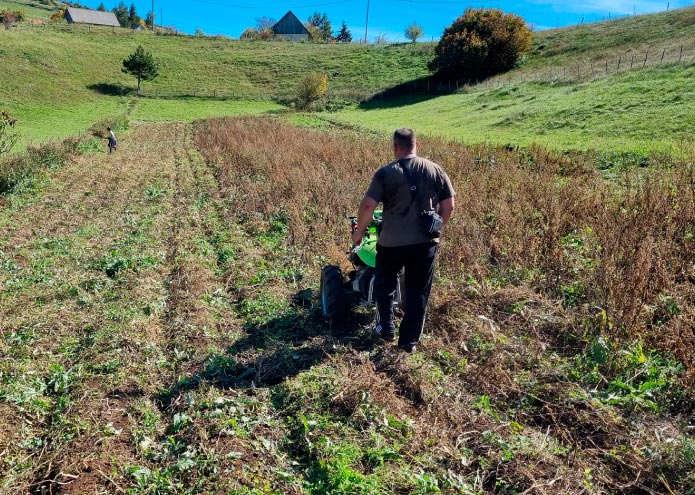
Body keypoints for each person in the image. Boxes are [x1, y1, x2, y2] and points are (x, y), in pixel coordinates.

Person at [352, 128, 455, 353]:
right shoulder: (435, 169)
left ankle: (385, 327)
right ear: (416, 145)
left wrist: (359, 233)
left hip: (391, 243)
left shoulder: (386, 173)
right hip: (425, 245)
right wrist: (436, 228)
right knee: (418, 292)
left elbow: (369, 206)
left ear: (395, 146)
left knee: (384, 284)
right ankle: (408, 343)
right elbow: (449, 206)